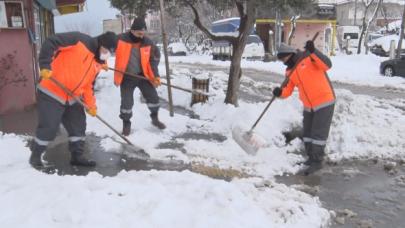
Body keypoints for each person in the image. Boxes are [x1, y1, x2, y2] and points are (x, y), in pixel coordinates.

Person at [29, 31, 118, 169]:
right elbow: (51, 42)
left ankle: (77, 157)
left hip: (72, 97)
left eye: (110, 53)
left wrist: (91, 105)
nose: (106, 54)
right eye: (105, 50)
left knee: (78, 127)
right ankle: (35, 156)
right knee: (50, 127)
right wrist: (45, 65)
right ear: (100, 44)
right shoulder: (79, 40)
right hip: (51, 91)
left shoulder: (98, 62)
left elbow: (88, 86)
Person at [273, 40, 335, 174]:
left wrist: (314, 51)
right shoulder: (290, 71)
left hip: (324, 100)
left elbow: (327, 64)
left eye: (283, 58)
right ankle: (310, 158)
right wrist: (279, 93)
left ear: (289, 54)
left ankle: (317, 162)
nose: (283, 62)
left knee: (318, 134)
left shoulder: (308, 58)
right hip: (309, 105)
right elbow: (287, 90)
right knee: (308, 133)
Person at [114, 17, 166, 136]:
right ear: (132, 31)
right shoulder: (120, 39)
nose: (141, 36)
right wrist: (102, 62)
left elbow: (154, 58)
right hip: (127, 77)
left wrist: (155, 75)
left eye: (143, 33)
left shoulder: (148, 42)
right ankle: (126, 124)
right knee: (126, 103)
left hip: (143, 77)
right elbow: (105, 47)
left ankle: (155, 119)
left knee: (153, 98)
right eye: (139, 33)